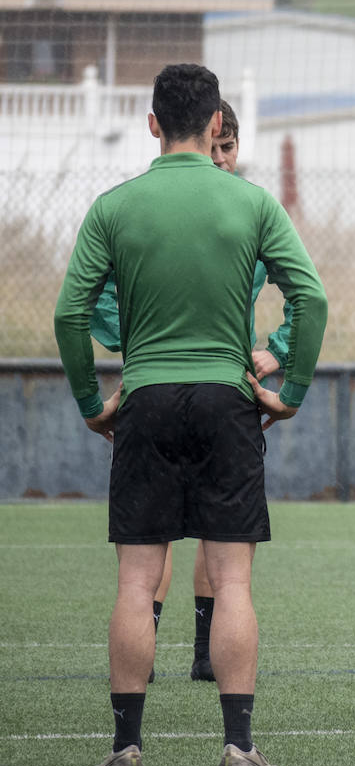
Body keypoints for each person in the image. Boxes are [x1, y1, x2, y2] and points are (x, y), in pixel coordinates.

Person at [54, 63, 328, 766]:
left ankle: (125, 747)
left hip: (143, 397)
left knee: (136, 579)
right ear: (216, 128)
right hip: (228, 399)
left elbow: (68, 313)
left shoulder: (115, 206)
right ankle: (238, 747)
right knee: (232, 579)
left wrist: (91, 404)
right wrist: (290, 388)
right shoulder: (251, 203)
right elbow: (313, 297)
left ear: (151, 124)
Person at [90, 98, 293, 684]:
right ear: (201, 134)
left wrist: (275, 351)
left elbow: (299, 296)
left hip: (218, 384)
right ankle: (148, 649)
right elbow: (98, 300)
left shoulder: (247, 210)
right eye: (216, 145)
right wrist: (142, 344)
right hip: (169, 384)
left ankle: (206, 652)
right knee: (155, 539)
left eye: (231, 148)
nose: (222, 157)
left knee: (217, 533)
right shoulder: (148, 207)